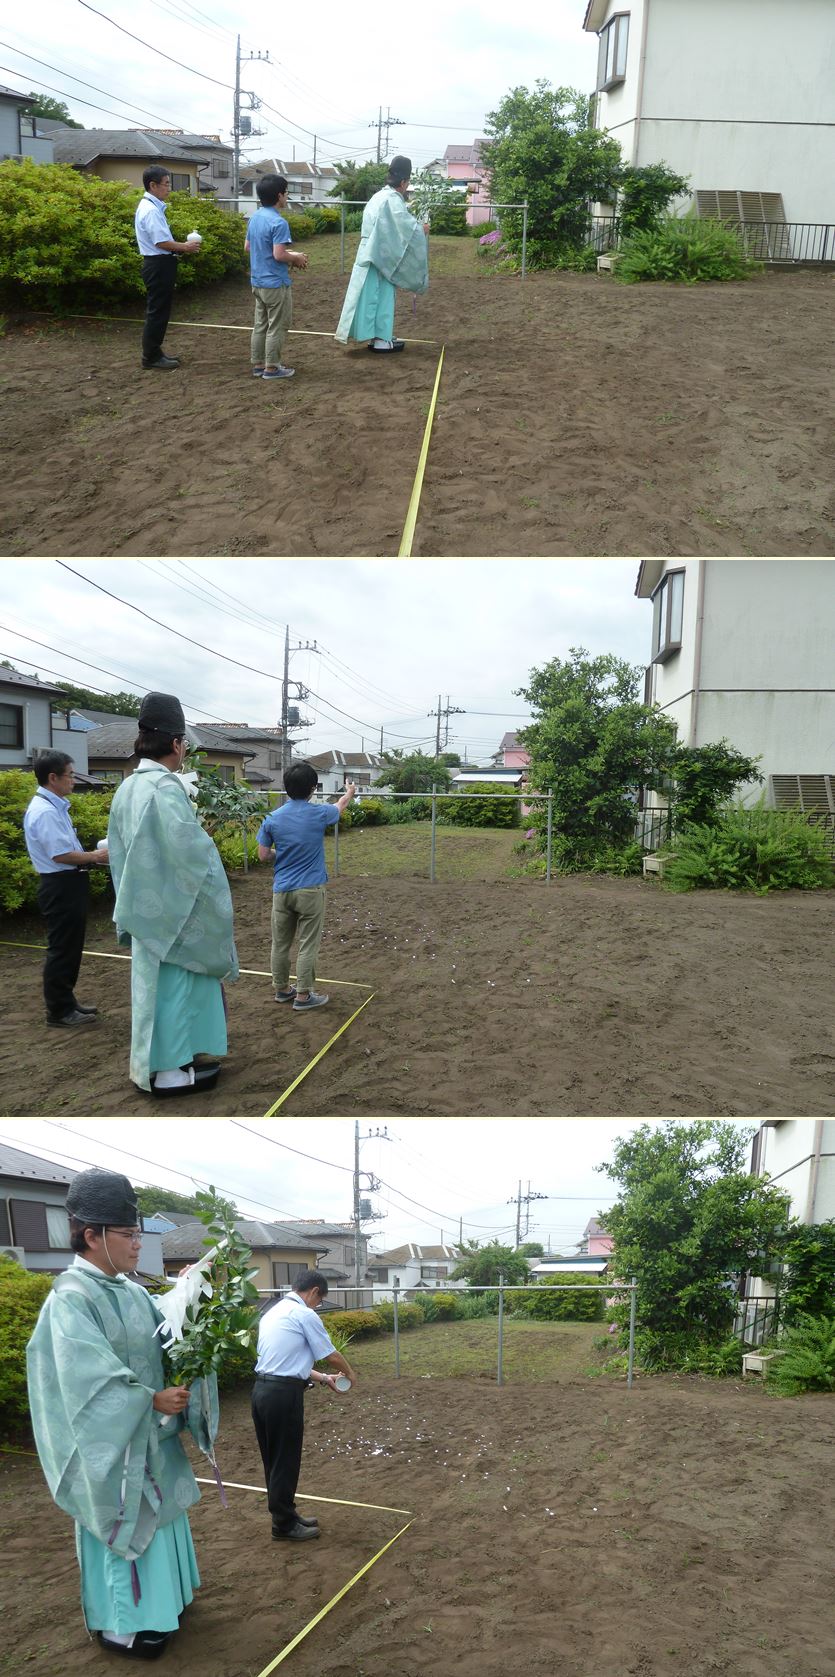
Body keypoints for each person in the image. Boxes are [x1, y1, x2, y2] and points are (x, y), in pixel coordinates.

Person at [26, 1169, 218, 1661]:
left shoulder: (128, 1290)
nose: (138, 1244)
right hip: (113, 1446)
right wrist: (148, 1400)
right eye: (129, 1235)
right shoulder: (70, 1298)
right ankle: (125, 1626)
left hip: (149, 1439)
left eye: (138, 1234)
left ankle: (167, 1602)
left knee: (162, 1517)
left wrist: (190, 1296)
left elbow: (161, 1334)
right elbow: (81, 1378)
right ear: (91, 1235)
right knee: (125, 1523)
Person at [106, 691, 239, 1097]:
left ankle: (172, 1062)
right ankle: (171, 1073)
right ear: (177, 744)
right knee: (175, 990)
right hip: (174, 914)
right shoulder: (163, 788)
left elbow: (118, 850)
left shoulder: (128, 788)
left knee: (157, 991)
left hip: (147, 908)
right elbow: (192, 854)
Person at [252, 1270, 357, 1542]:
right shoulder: (304, 1314)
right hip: (282, 1395)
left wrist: (324, 1378)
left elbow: (286, 1362)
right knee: (285, 1459)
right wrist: (350, 1373)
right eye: (318, 1300)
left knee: (274, 1460)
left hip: (263, 1390)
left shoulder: (272, 1312)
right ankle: (284, 1525)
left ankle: (285, 1514)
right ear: (313, 1291)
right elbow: (331, 1355)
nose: (317, 1305)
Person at [257, 762, 356, 1012]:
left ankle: (281, 989)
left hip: (282, 891)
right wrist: (349, 792)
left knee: (280, 943)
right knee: (307, 944)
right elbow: (340, 806)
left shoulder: (272, 818)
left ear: (286, 787)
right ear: (313, 788)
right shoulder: (318, 813)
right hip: (311, 890)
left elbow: (263, 855)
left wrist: (282, 853)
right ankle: (303, 995)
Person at [22, 751, 109, 1029]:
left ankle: (67, 1002)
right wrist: (96, 856)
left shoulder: (54, 806)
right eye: (70, 775)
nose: (73, 780)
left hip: (67, 884)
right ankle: (59, 1011)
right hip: (60, 885)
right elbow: (61, 854)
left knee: (69, 947)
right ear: (52, 778)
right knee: (62, 949)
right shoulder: (44, 811)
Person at [335, 156, 429, 353]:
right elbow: (405, 227)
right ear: (403, 182)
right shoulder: (392, 200)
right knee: (382, 296)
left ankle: (379, 336)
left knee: (369, 295)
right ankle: (381, 339)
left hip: (370, 251)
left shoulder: (378, 196)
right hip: (379, 254)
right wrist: (421, 229)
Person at [134, 166, 201, 371]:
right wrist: (185, 247)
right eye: (166, 184)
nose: (169, 188)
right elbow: (161, 242)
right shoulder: (151, 210)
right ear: (152, 185)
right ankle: (151, 357)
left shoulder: (152, 207)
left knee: (159, 311)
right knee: (157, 312)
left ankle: (155, 352)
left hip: (159, 264)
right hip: (158, 264)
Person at [244, 173, 309, 380]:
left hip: (257, 281)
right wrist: (296, 257)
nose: (287, 197)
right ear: (280, 195)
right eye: (287, 193)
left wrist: (291, 256)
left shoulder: (255, 217)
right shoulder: (279, 223)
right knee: (278, 325)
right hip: (275, 283)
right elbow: (279, 254)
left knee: (260, 324)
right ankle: (272, 368)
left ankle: (258, 364)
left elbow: (247, 247)